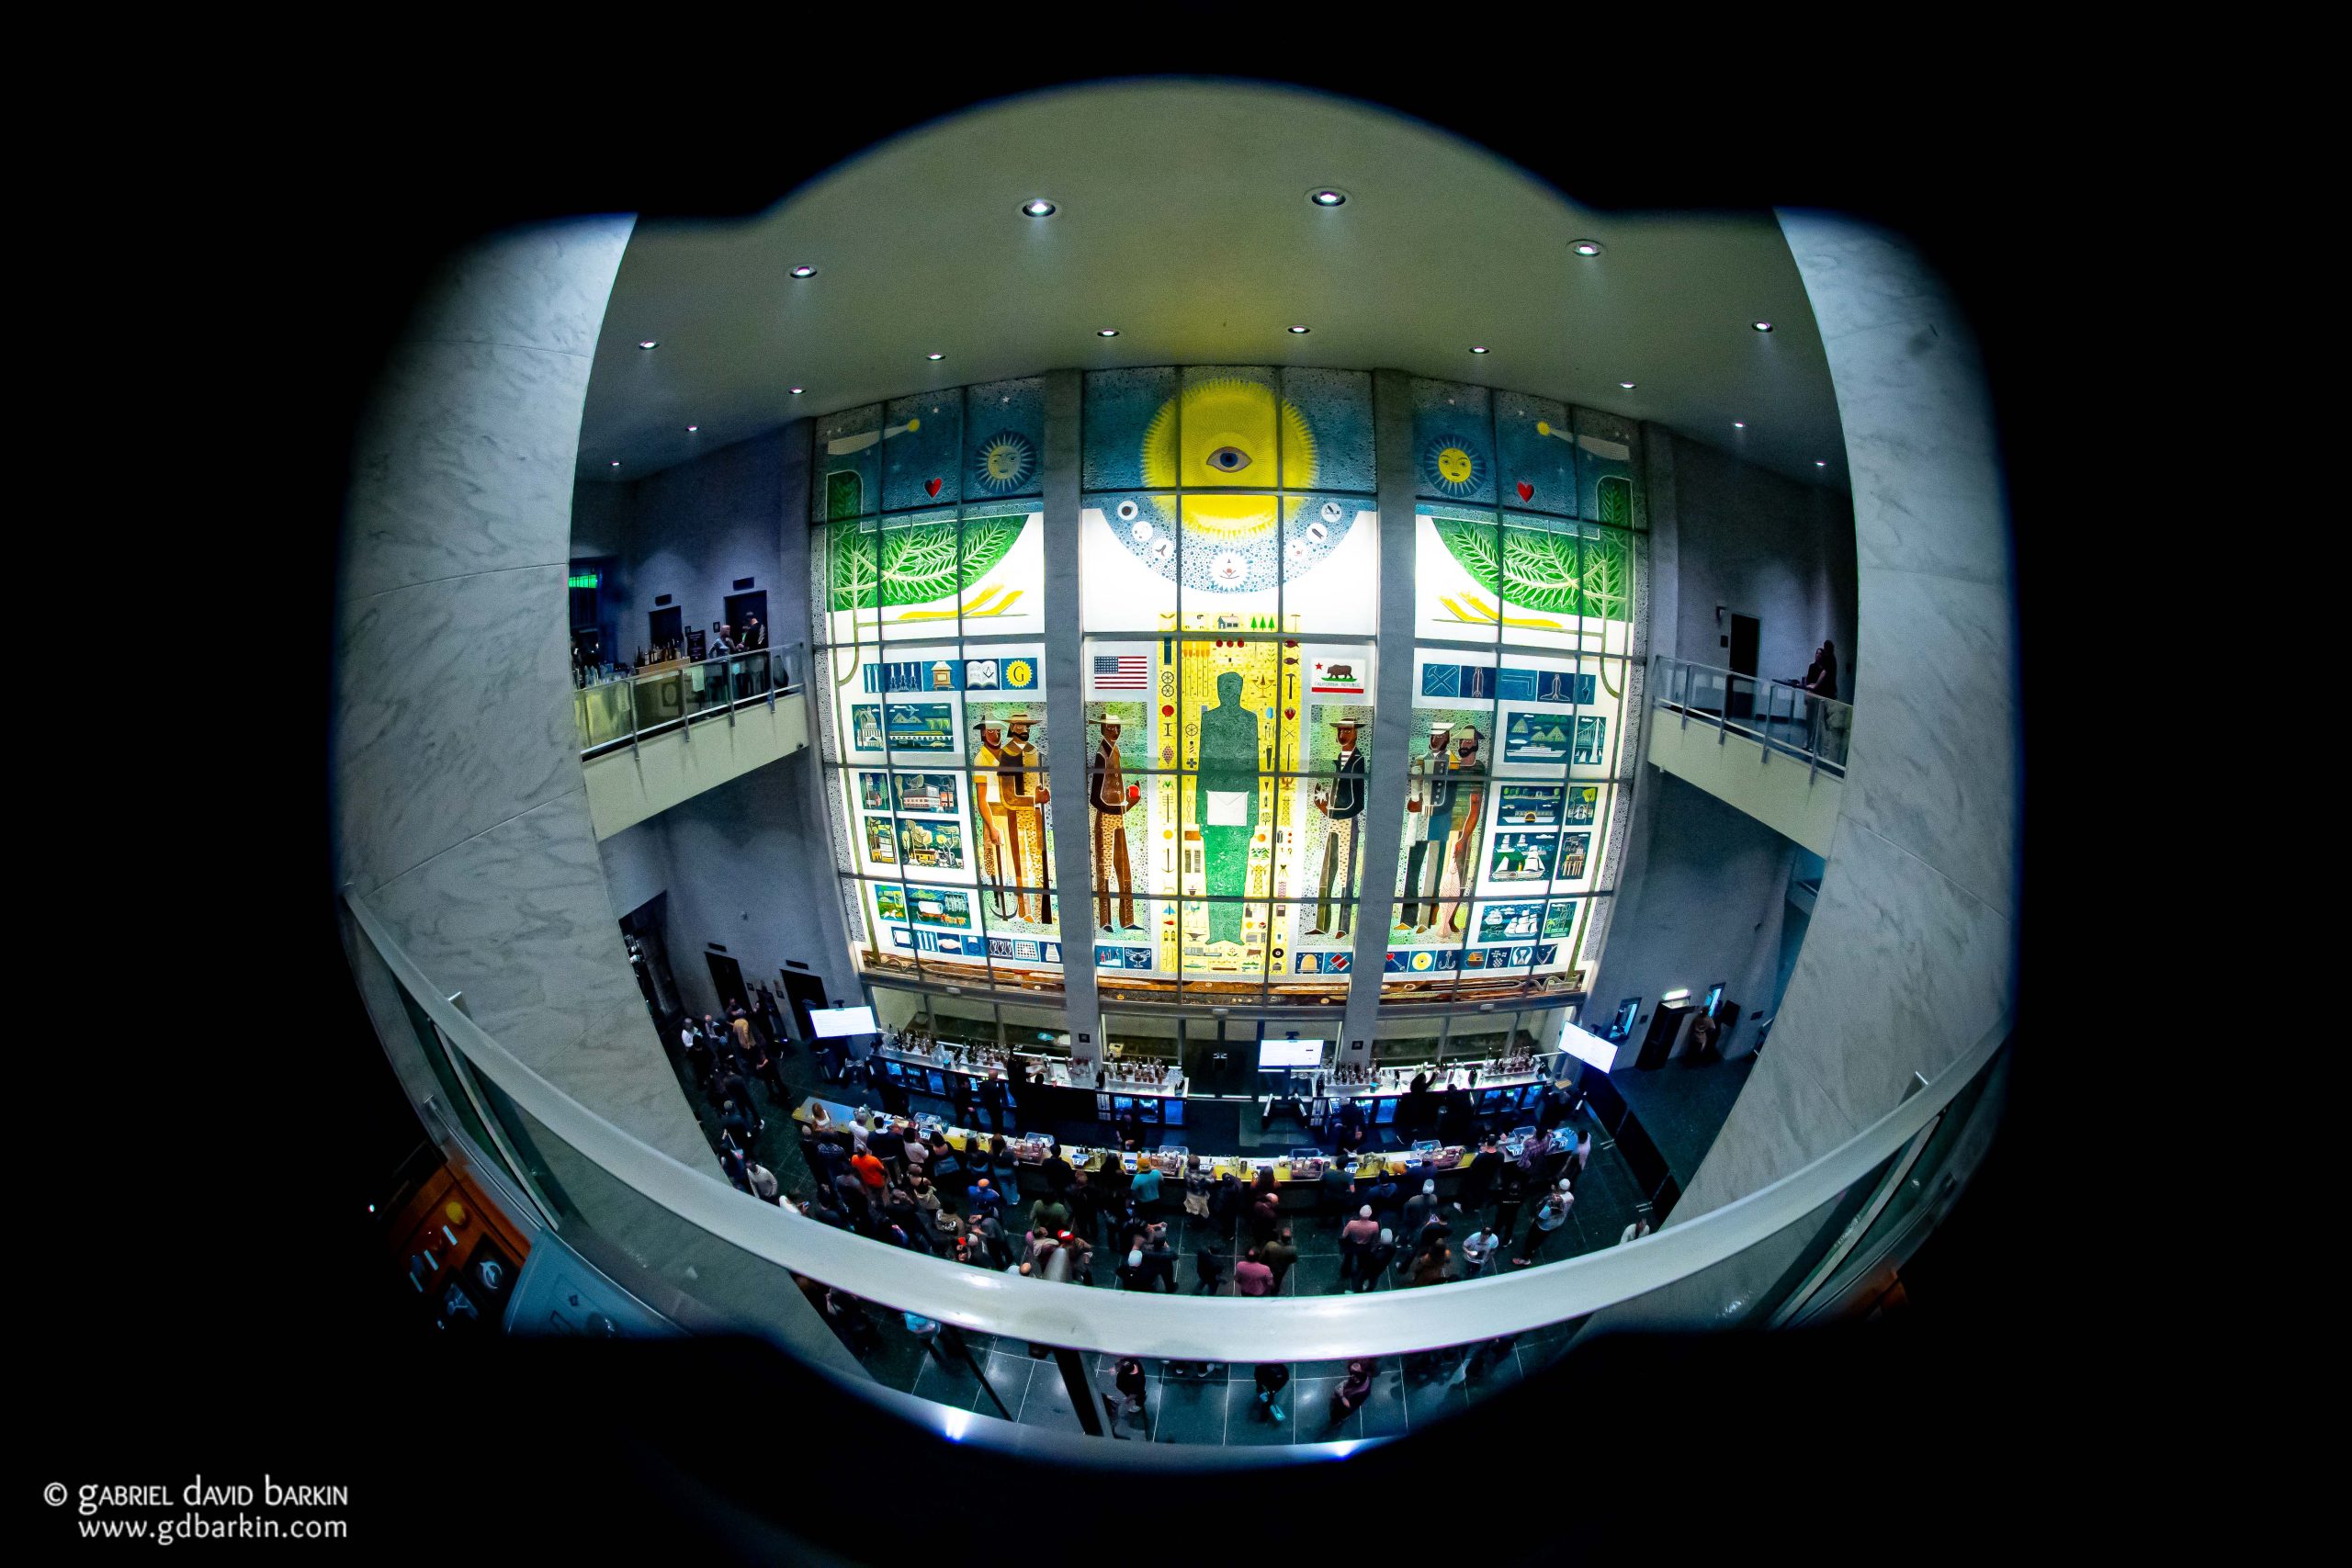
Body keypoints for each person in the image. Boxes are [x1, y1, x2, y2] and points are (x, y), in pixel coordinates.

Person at [1306, 716, 1366, 939]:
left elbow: (1357, 803)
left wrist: (1329, 811)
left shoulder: (1358, 761)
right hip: (1333, 822)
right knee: (1326, 875)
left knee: (1345, 875)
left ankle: (1343, 927)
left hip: (1347, 823)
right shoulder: (1338, 759)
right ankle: (1322, 924)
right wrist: (1323, 798)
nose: (1342, 735)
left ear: (1355, 733)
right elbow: (1338, 793)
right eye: (1340, 731)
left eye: (1347, 731)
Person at [1088, 714, 1142, 932]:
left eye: (1117, 727)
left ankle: (1127, 919)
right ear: (1102, 729)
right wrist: (1122, 806)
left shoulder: (1115, 751)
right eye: (1110, 727)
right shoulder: (1101, 754)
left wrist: (1129, 803)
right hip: (1106, 819)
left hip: (1117, 817)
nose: (1115, 731)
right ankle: (1105, 921)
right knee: (1105, 870)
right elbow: (1095, 798)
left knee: (1124, 869)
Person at [1515, 1179, 1574, 1267]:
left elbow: (1542, 1216)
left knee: (1531, 1240)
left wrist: (1534, 1218)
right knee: (1541, 1238)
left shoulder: (1550, 1202)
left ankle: (1525, 1259)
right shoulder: (1570, 1197)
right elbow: (1561, 1198)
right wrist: (1555, 1191)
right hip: (1558, 1222)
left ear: (1558, 1186)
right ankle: (1534, 1248)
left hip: (1544, 1225)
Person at [1459, 1136, 1504, 1214]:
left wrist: (1482, 1152)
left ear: (1486, 1143)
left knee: (1472, 1191)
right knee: (1483, 1191)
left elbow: (1472, 1167)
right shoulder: (1501, 1155)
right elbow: (1499, 1166)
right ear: (1496, 1144)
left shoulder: (1481, 1156)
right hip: (1490, 1178)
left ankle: (1467, 1207)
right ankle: (1477, 1207)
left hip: (1478, 1178)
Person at [1340, 1204, 1381, 1282]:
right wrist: (1374, 1248)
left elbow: (1344, 1235)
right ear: (1370, 1214)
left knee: (1348, 1259)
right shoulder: (1375, 1225)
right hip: (1364, 1246)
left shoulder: (1351, 1223)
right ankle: (1358, 1272)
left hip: (1352, 1244)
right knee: (1361, 1261)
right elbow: (1375, 1238)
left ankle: (1345, 1273)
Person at [1329, 1359, 1375, 1427]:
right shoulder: (1366, 1377)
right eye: (1351, 1373)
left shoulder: (1361, 1392)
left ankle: (1337, 1422)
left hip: (1345, 1408)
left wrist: (1341, 1396)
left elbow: (1349, 1406)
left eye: (1357, 1374)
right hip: (1351, 1396)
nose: (1352, 1376)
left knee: (1339, 1415)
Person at [1353, 1228, 1396, 1292]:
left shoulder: (1377, 1255)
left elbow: (1370, 1257)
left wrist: (1376, 1247)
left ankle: (1358, 1292)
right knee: (1374, 1279)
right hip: (1380, 1269)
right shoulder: (1393, 1247)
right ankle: (1370, 1290)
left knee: (1360, 1279)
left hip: (1369, 1269)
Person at [1251, 1361, 1290, 1425]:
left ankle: (1264, 1416)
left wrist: (1273, 1391)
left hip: (1273, 1378)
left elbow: (1285, 1378)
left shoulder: (1283, 1372)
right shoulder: (1263, 1370)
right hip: (1266, 1375)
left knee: (1270, 1394)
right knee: (1267, 1392)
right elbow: (1258, 1374)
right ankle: (1264, 1417)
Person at [1261, 1227, 1298, 1292]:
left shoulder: (1270, 1245)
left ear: (1280, 1236)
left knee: (1267, 1276)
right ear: (1290, 1238)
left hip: (1270, 1266)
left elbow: (1262, 1257)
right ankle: (1275, 1290)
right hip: (1282, 1269)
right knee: (1278, 1280)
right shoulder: (1293, 1249)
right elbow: (1294, 1260)